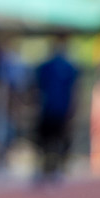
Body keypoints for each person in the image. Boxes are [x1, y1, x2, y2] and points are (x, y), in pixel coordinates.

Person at [33, 35, 81, 185]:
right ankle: (48, 169)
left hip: (56, 109)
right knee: (47, 141)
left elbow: (74, 90)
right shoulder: (49, 66)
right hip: (50, 109)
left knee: (55, 141)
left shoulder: (66, 67)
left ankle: (53, 169)